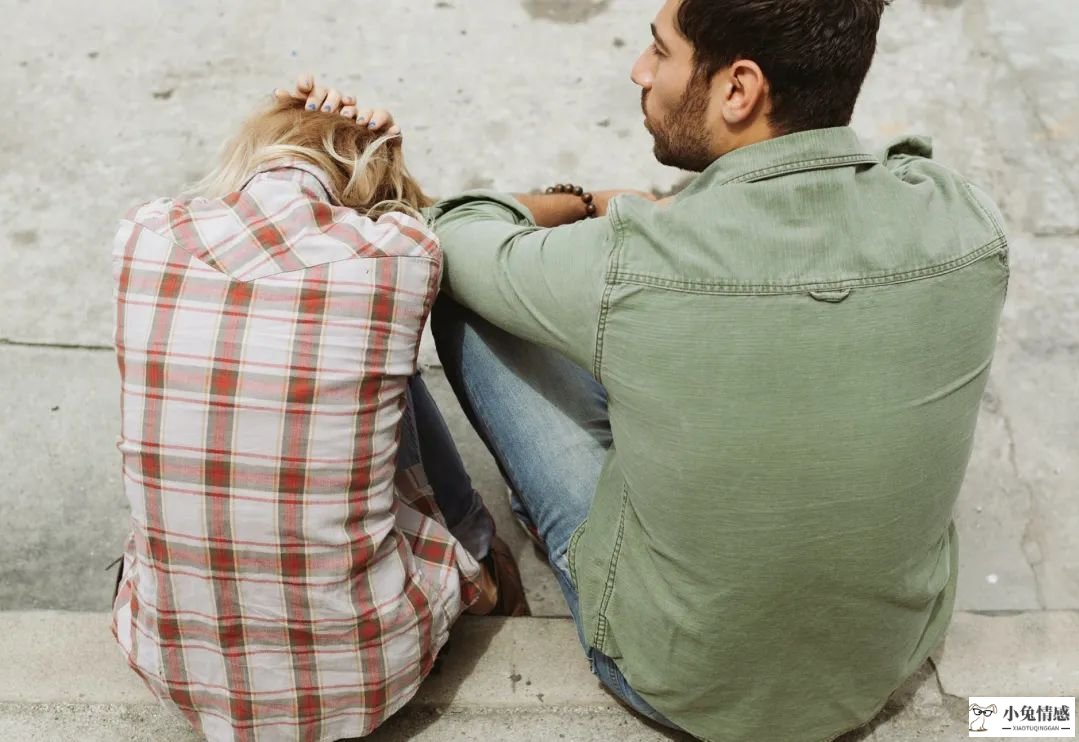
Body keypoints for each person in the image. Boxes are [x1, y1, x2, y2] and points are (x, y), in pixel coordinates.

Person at [298, 0, 1011, 738]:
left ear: (739, 90)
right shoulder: (967, 221)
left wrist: (587, 203)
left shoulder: (634, 258)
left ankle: (507, 549)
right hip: (881, 666)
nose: (640, 72)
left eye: (660, 52)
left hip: (671, 679)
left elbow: (451, 231)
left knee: (475, 307)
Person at [110, 95, 527, 742]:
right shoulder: (402, 256)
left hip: (173, 672)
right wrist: (380, 149)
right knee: (375, 372)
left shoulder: (143, 235)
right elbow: (415, 220)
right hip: (365, 680)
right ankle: (483, 558)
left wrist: (280, 114)